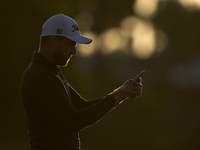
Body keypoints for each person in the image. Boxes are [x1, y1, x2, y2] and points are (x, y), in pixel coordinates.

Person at [20, 14, 146, 150]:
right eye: (71, 44)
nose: (74, 51)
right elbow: (74, 120)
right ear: (53, 42)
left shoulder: (50, 73)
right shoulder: (39, 77)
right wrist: (116, 96)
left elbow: (82, 106)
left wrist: (120, 92)